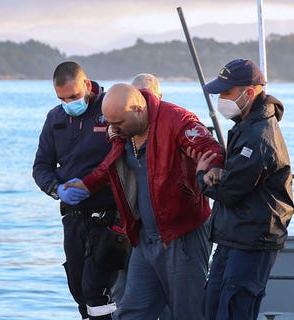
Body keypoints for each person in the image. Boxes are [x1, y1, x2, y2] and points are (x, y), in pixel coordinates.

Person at [65, 83, 225, 319]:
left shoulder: (177, 119)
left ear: (138, 109)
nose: (113, 129)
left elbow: (209, 148)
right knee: (131, 311)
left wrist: (213, 167)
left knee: (188, 312)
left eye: (118, 123)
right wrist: (87, 184)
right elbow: (111, 164)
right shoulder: (124, 132)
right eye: (110, 123)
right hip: (145, 238)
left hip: (181, 235)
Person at [197, 58, 294, 320]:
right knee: (213, 306)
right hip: (235, 234)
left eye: (226, 93)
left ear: (248, 93)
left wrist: (201, 176)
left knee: (234, 310)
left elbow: (231, 190)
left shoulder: (258, 135)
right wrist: (221, 172)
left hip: (253, 239)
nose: (221, 99)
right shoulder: (247, 126)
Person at [32, 61, 122, 319]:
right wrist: (56, 189)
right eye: (62, 98)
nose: (69, 103)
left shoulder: (110, 108)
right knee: (78, 287)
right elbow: (41, 166)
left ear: (86, 84)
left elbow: (125, 157)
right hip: (73, 216)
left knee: (97, 289)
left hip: (109, 215)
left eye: (73, 96)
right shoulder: (55, 118)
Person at [110, 72, 171, 320]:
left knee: (170, 303)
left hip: (167, 236)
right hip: (129, 231)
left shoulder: (174, 127)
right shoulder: (122, 135)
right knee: (124, 298)